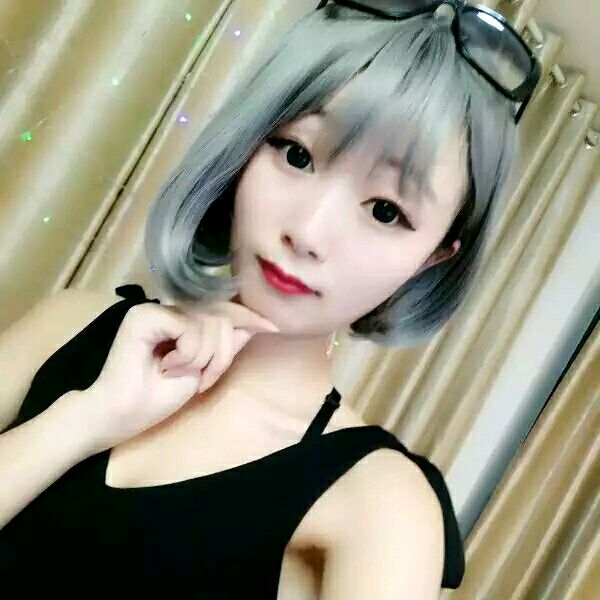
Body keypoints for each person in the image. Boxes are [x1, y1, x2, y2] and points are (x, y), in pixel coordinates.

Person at [0, 1, 538, 597]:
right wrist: (86, 418)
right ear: (249, 139)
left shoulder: (380, 504)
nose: (308, 233)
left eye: (386, 211)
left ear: (434, 256)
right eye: (297, 154)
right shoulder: (72, 324)